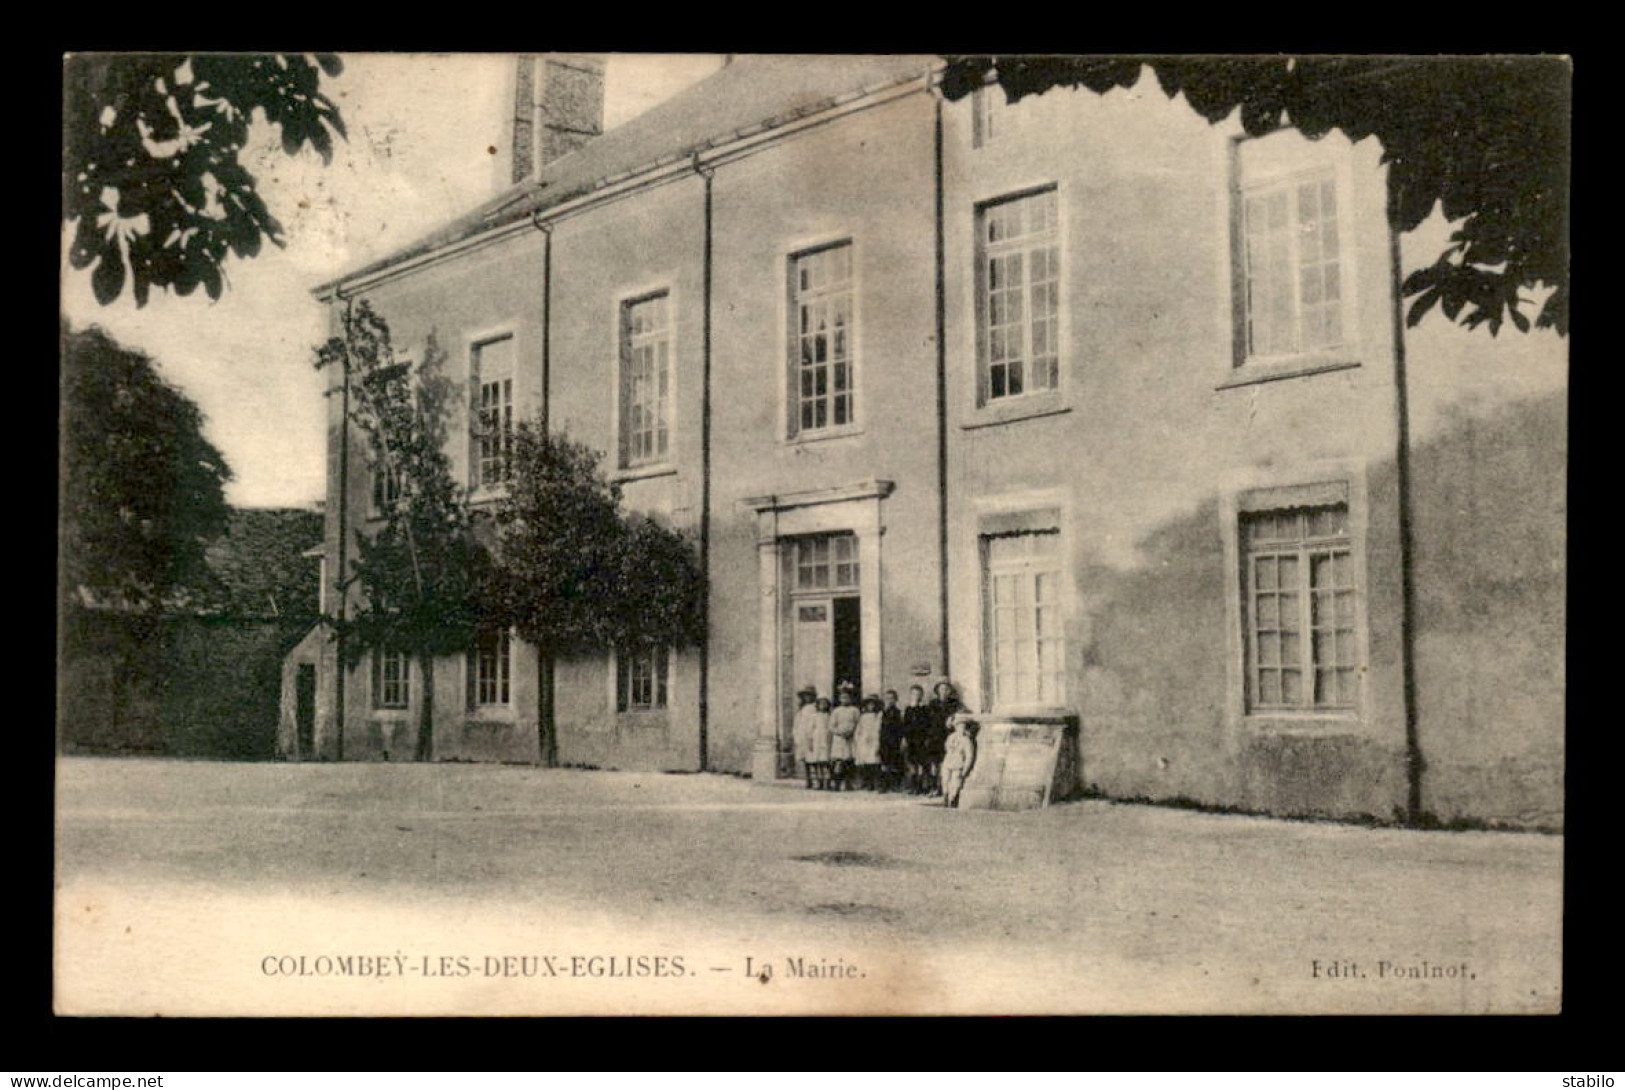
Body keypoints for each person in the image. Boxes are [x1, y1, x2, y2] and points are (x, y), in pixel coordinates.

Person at [924, 680, 961, 797]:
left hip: (947, 736)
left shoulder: (954, 704)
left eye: (946, 689)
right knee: (934, 764)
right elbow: (927, 720)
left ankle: (944, 788)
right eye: (941, 689)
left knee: (945, 763)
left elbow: (962, 712)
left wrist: (953, 717)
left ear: (950, 691)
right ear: (938, 691)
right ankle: (933, 787)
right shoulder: (932, 704)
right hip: (934, 736)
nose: (944, 692)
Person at [941, 712, 979, 808]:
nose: (960, 729)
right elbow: (947, 748)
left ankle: (952, 799)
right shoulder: (951, 737)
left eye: (963, 726)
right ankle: (945, 796)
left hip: (958, 764)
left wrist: (965, 770)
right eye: (958, 726)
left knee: (956, 783)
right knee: (945, 780)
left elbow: (969, 755)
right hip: (948, 762)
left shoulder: (966, 740)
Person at [901, 684, 932, 794]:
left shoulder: (924, 709)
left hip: (921, 739)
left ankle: (923, 786)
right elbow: (905, 724)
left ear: (921, 695)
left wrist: (927, 737)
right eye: (914, 694)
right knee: (912, 763)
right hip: (911, 739)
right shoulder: (908, 709)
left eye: (918, 694)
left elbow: (928, 724)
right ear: (910, 695)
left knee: (922, 764)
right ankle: (914, 786)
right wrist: (904, 738)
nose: (916, 696)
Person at [827, 687, 860, 791]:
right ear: (839, 699)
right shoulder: (836, 711)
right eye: (843, 697)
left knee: (848, 761)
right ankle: (837, 783)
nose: (845, 699)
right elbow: (831, 725)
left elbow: (859, 723)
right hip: (839, 738)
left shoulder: (854, 710)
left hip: (850, 738)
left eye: (847, 697)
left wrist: (852, 731)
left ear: (851, 698)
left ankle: (848, 783)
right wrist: (839, 732)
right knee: (838, 761)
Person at [853, 695, 883, 791]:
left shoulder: (878, 716)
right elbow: (859, 729)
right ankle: (868, 783)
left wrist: (875, 737)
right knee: (866, 763)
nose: (871, 706)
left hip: (874, 739)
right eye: (869, 704)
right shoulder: (863, 717)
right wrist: (859, 739)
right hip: (864, 740)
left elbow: (878, 728)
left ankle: (877, 783)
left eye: (873, 704)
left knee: (874, 761)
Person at [791, 685, 819, 789]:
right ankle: (809, 779)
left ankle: (817, 779)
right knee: (805, 759)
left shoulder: (815, 708)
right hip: (803, 736)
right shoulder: (801, 710)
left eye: (810, 696)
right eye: (805, 696)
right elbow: (797, 723)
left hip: (811, 735)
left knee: (814, 758)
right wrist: (796, 735)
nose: (807, 698)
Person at [877, 689, 905, 792]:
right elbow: (879, 728)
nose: (889, 700)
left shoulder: (899, 712)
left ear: (896, 700)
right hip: (884, 740)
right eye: (887, 698)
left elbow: (902, 727)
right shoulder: (882, 713)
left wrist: (902, 740)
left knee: (895, 763)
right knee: (884, 763)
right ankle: (884, 785)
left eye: (892, 698)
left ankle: (895, 785)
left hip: (895, 740)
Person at [807, 696, 833, 791]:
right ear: (817, 705)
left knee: (826, 762)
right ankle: (819, 782)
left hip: (827, 739)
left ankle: (827, 783)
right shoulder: (814, 716)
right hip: (817, 739)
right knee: (818, 763)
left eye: (825, 704)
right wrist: (810, 742)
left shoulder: (829, 716)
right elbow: (810, 729)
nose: (823, 706)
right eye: (821, 704)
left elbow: (831, 727)